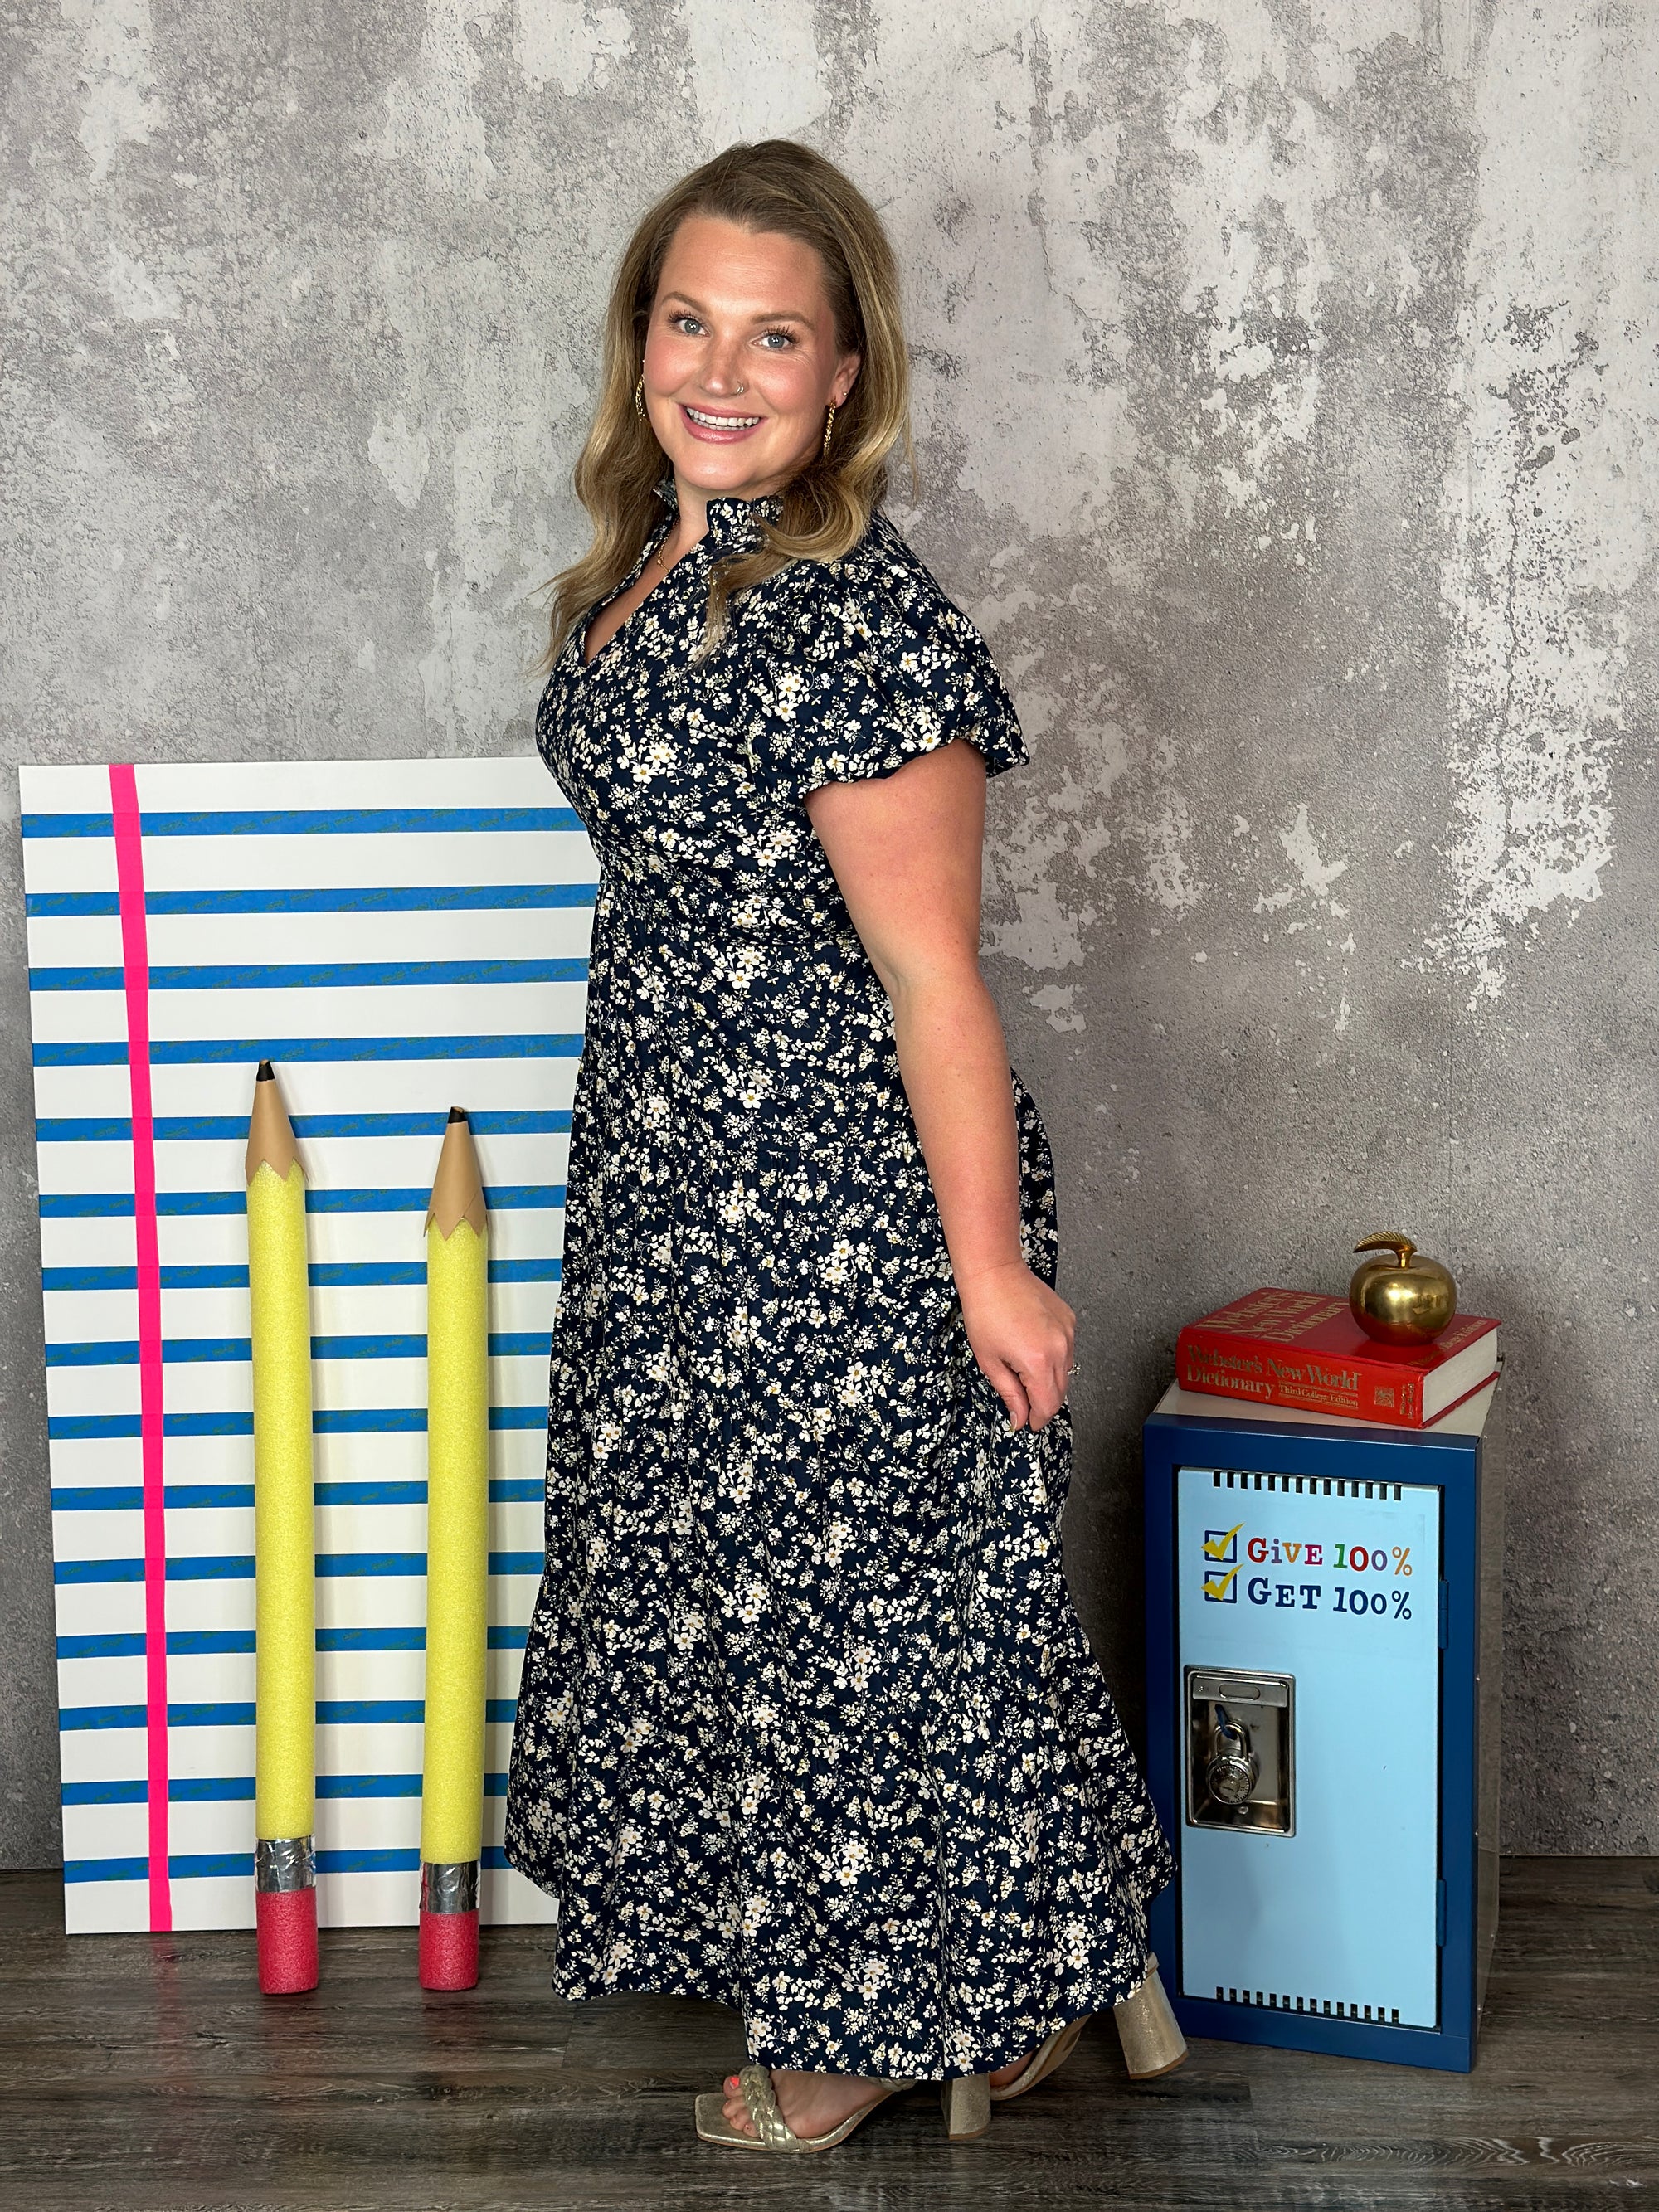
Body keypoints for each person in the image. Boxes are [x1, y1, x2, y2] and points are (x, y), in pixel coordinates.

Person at [504, 139, 1180, 2156]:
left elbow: (934, 985)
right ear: (642, 337)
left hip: (830, 1193)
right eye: (687, 320)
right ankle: (1054, 1971)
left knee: (856, 1619)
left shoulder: (849, 622)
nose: (721, 367)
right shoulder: (654, 554)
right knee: (785, 1594)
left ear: (845, 366)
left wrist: (987, 1267)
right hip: (675, 1172)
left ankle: (880, 2025)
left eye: (772, 335)